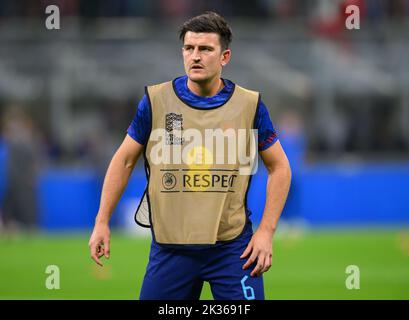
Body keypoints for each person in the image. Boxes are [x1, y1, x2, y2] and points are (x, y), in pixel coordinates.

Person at [89, 11, 291, 300]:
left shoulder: (250, 105)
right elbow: (124, 160)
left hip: (232, 248)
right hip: (171, 248)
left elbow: (280, 167)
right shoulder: (155, 101)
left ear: (225, 57)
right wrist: (101, 221)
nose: (195, 56)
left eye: (205, 49)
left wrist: (266, 232)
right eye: (189, 48)